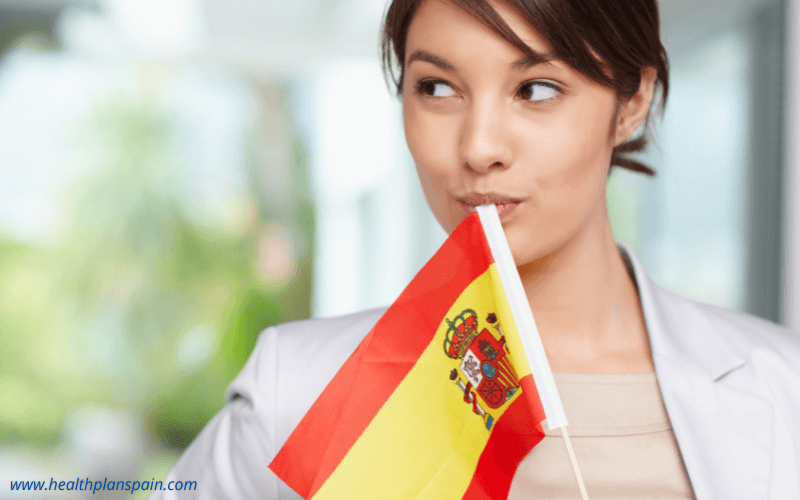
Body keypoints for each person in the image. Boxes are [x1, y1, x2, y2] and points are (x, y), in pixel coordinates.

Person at [150, 0, 800, 498]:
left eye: (536, 89)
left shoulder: (781, 388)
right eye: (437, 88)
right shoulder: (301, 394)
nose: (478, 146)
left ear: (631, 102)